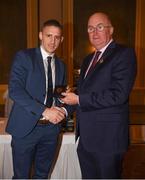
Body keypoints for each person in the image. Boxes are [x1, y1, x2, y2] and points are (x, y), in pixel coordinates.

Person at [61, 12, 137, 179]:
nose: (94, 32)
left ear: (111, 30)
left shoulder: (124, 54)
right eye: (90, 28)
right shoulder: (88, 59)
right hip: (86, 140)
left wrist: (79, 99)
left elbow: (118, 95)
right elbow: (83, 94)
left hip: (108, 141)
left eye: (100, 27)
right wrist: (64, 109)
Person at [6, 19, 66, 179]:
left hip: (50, 131)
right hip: (25, 129)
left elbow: (58, 95)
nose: (53, 41)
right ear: (40, 35)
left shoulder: (61, 65)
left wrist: (63, 108)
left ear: (61, 39)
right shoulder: (24, 57)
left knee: (42, 176)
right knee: (21, 177)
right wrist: (45, 111)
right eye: (49, 35)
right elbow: (15, 91)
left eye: (57, 37)